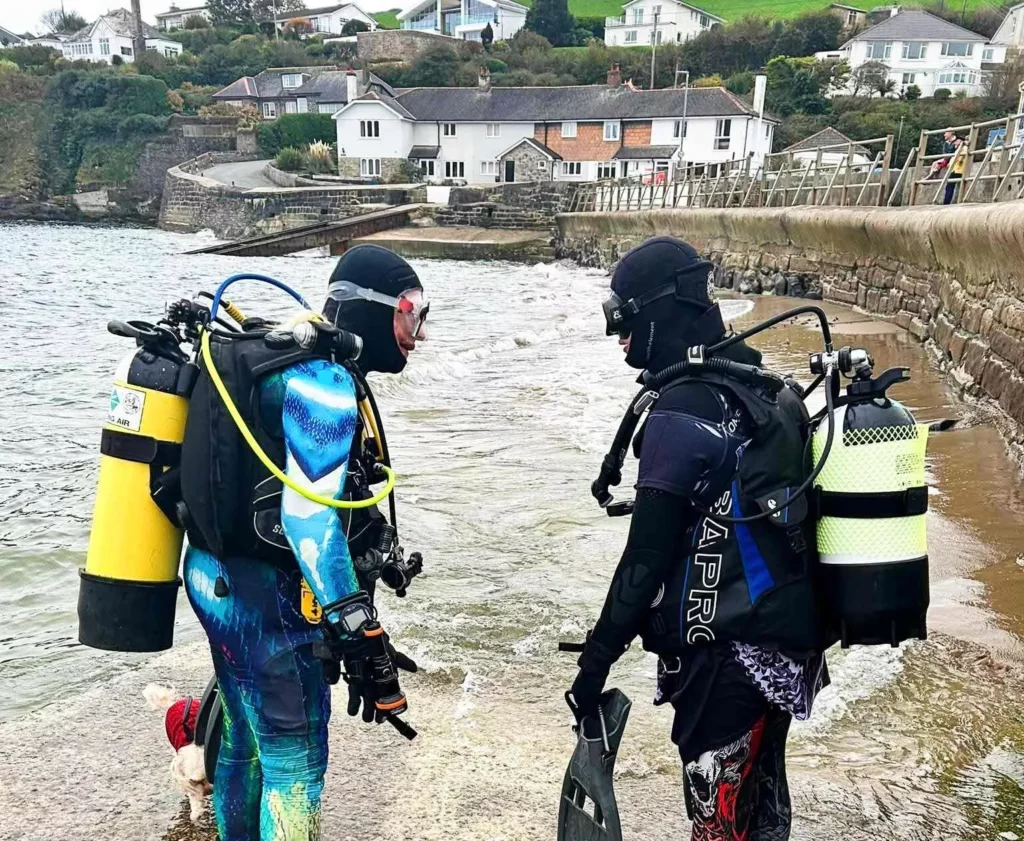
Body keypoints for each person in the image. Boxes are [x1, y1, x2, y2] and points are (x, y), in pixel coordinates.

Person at [569, 236, 829, 841]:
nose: (619, 337)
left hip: (725, 662)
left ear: (661, 308)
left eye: (623, 318)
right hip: (787, 651)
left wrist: (593, 665)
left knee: (716, 826)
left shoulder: (681, 413)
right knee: (760, 817)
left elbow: (645, 562)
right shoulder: (766, 389)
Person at [182, 245, 429, 840]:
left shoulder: (272, 357)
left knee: (243, 740)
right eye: (411, 313)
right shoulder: (324, 381)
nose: (417, 334)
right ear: (378, 311)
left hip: (212, 576)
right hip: (271, 602)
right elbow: (309, 522)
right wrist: (359, 628)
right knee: (297, 760)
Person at [944, 136, 968, 205]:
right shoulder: (960, 148)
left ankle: (947, 201)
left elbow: (959, 158)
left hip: (958, 169)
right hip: (956, 169)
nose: (955, 143)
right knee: (951, 185)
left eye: (956, 141)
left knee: (950, 185)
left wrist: (952, 163)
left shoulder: (963, 148)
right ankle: (948, 201)